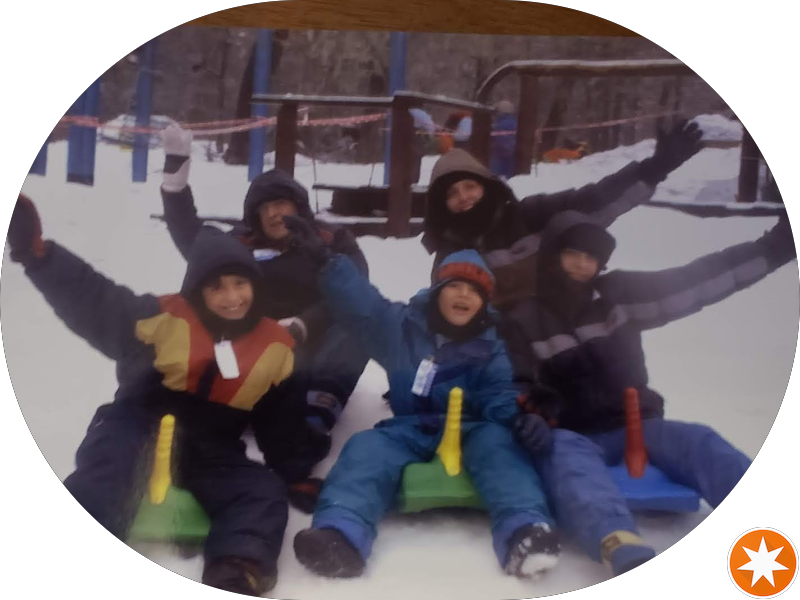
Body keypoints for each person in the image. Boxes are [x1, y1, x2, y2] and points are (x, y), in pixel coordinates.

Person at [6, 194, 331, 595]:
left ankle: (237, 565)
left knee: (260, 492)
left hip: (211, 445)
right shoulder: (161, 319)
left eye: (240, 284)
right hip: (137, 420)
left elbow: (280, 416)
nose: (232, 298)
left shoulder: (274, 346)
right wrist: (40, 257)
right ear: (197, 291)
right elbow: (94, 299)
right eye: (217, 287)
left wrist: (294, 470)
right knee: (107, 467)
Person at [499, 209, 796, 576]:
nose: (581, 264)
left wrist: (776, 247)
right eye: (571, 253)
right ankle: (616, 540)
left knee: (698, 440)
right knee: (569, 466)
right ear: (551, 256)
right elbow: (515, 381)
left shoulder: (618, 297)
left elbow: (696, 281)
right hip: (573, 432)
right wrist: (532, 413)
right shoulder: (523, 319)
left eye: (591, 257)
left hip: (637, 421)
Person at [282, 217, 559, 580]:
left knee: (501, 448)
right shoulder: (400, 326)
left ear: (484, 302)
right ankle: (341, 533)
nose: (463, 295)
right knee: (366, 449)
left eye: (474, 291)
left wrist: (522, 416)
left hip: (471, 427)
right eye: (455, 285)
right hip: (409, 426)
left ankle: (526, 530)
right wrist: (328, 262)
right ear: (437, 289)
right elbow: (360, 303)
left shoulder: (491, 346)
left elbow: (498, 394)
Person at [159, 125, 371, 511]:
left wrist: (303, 323)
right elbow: (192, 237)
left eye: (283, 203)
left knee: (359, 320)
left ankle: (316, 415)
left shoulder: (330, 240)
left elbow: (356, 287)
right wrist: (174, 188)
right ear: (254, 213)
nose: (275, 212)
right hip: (251, 346)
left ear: (299, 207)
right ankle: (214, 420)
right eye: (265, 205)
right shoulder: (239, 243)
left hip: (314, 344)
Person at [422, 119, 704, 312]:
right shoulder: (451, 249)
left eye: (470, 186)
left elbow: (594, 202)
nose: (463, 197)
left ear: (487, 186)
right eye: (452, 194)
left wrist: (655, 168)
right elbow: (443, 315)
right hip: (498, 353)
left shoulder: (530, 215)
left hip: (553, 331)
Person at [489, 100, 517, 180]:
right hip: (512, 152)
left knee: (494, 175)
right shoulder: (515, 122)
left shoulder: (499, 124)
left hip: (499, 152)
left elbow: (496, 137)